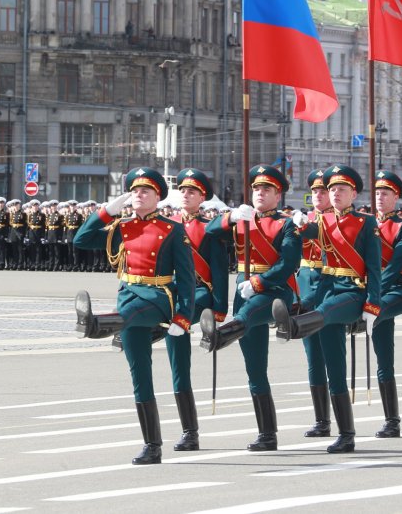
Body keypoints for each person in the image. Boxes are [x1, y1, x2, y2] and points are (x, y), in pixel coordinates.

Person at [73, 167, 195, 465]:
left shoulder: (172, 229)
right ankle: (152, 445)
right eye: (136, 191)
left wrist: (183, 317)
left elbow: (188, 278)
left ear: (157, 197)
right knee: (140, 375)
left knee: (126, 314)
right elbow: (81, 240)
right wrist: (106, 212)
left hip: (157, 297)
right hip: (128, 294)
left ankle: (96, 325)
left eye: (146, 191)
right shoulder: (122, 227)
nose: (139, 195)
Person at [273, 164, 380, 454]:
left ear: (353, 193)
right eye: (331, 189)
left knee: (327, 311)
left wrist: (373, 304)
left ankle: (293, 326)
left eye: (340, 189)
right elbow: (308, 234)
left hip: (351, 291)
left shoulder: (366, 222)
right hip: (326, 288)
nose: (334, 194)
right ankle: (346, 433)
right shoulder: (321, 222)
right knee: (334, 366)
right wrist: (296, 224)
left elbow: (374, 267)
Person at [200, 164, 300, 452]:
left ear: (277, 195)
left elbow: (288, 263)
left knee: (247, 314)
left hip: (275, 291)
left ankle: (219, 336)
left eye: (266, 189)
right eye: (256, 188)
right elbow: (208, 231)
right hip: (244, 289)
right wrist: (229, 217)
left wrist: (260, 282)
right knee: (255, 367)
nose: (260, 193)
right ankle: (267, 434)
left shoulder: (287, 224)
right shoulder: (242, 219)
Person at [164, 168, 229, 452]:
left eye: (192, 191)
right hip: (172, 294)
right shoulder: (168, 224)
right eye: (183, 190)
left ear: (202, 197)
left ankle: (190, 431)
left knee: (175, 329)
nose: (185, 194)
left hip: (200, 294)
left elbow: (218, 271)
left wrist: (219, 311)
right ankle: (188, 431)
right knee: (178, 367)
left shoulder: (208, 228)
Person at [366, 170, 402, 438]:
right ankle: (392, 421)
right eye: (377, 192)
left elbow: (396, 266)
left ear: (396, 197)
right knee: (383, 359)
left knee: (373, 313)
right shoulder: (366, 223)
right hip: (375, 294)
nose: (380, 197)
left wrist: (371, 296)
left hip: (400, 290)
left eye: (385, 193)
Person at [295, 169, 335, 439]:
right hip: (305, 287)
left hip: (330, 287)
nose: (318, 195)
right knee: (313, 358)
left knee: (332, 356)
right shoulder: (306, 219)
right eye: (315, 191)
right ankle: (322, 419)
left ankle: (341, 417)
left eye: (323, 191)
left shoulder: (339, 221)